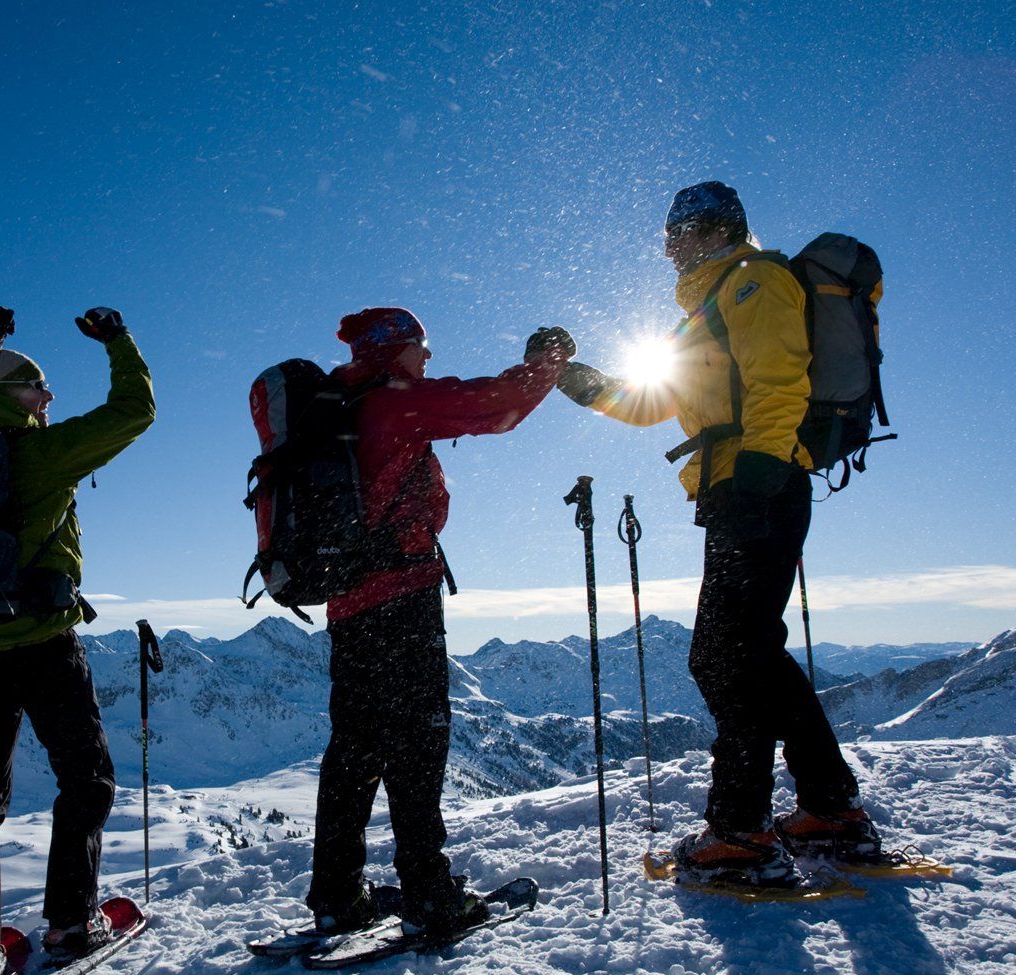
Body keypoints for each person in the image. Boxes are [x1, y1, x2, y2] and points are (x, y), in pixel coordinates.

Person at [556, 183, 877, 883]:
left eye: (680, 232)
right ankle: (830, 809)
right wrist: (579, 382)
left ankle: (742, 831)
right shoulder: (708, 309)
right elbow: (654, 400)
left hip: (757, 485)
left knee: (724, 657)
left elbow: (780, 378)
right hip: (740, 487)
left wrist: (761, 466)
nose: (670, 247)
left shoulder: (752, 282)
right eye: (667, 236)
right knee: (751, 652)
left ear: (716, 229)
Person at [307, 308, 575, 935]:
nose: (427, 357)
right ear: (393, 349)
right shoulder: (395, 401)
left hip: (347, 605)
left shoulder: (340, 407)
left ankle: (337, 896)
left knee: (353, 749)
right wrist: (547, 361)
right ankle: (430, 895)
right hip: (402, 596)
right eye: (419, 346)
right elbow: (496, 406)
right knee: (417, 745)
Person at [0, 302, 154, 975]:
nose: (49, 399)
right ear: (10, 396)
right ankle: (70, 923)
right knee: (86, 781)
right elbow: (134, 411)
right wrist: (118, 341)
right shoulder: (42, 454)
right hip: (42, 645)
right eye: (38, 389)